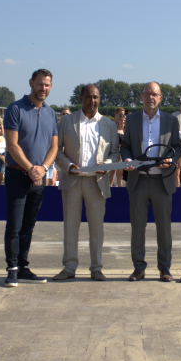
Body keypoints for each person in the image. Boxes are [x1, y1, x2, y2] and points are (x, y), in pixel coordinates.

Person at [50, 85, 120, 282]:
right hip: (72, 181)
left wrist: (107, 164)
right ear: (80, 98)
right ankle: (69, 267)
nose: (92, 101)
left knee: (96, 229)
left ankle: (96, 267)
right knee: (70, 228)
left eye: (95, 97)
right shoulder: (67, 121)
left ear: (100, 99)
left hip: (97, 183)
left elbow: (115, 153)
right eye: (88, 97)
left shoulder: (109, 125)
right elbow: (57, 150)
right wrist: (67, 165)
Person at [119, 82, 181, 282]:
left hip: (162, 181)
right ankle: (139, 267)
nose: (150, 97)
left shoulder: (171, 120)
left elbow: (178, 146)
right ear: (141, 97)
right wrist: (127, 158)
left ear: (160, 98)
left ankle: (165, 267)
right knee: (138, 227)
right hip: (138, 180)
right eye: (147, 94)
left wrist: (171, 159)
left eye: (154, 94)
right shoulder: (132, 119)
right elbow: (125, 145)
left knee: (164, 228)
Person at [2, 69, 58, 287]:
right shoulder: (15, 108)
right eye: (40, 84)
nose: (43, 88)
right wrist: (30, 169)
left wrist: (43, 168)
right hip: (17, 175)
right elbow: (12, 145)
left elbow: (54, 147)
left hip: (39, 178)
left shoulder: (51, 113)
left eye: (47, 85)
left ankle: (23, 267)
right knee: (15, 225)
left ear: (51, 86)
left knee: (28, 226)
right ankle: (12, 269)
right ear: (31, 83)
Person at [112, 107, 128, 188]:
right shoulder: (114, 130)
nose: (123, 122)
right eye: (121, 120)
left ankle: (122, 189)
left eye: (124, 121)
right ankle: (114, 188)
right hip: (116, 152)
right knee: (115, 173)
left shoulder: (126, 131)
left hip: (124, 153)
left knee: (123, 174)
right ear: (118, 121)